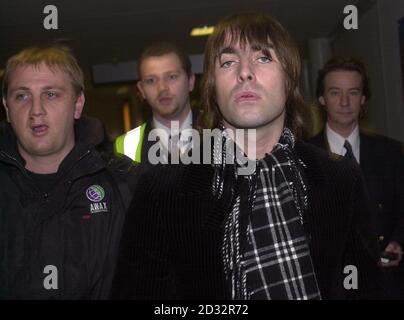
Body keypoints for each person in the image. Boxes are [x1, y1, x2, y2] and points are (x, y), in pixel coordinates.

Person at [112, 12, 382, 300]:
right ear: (213, 88)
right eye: (228, 62)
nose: (244, 72)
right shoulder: (162, 192)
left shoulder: (340, 178)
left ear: (290, 81)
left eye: (263, 58)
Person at [0, 44, 136, 299]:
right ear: (7, 108)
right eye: (22, 96)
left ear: (77, 104)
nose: (36, 110)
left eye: (51, 94)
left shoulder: (125, 185)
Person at [308, 56, 404, 298]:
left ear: (363, 100)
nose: (344, 102)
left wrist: (398, 242)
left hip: (385, 286)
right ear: (321, 99)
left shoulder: (392, 153)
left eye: (353, 93)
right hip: (326, 288)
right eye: (334, 93)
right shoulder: (300, 158)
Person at [114, 42, 198, 165]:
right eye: (151, 80)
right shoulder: (127, 145)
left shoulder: (221, 132)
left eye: (172, 77)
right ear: (142, 90)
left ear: (190, 81)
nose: (162, 88)